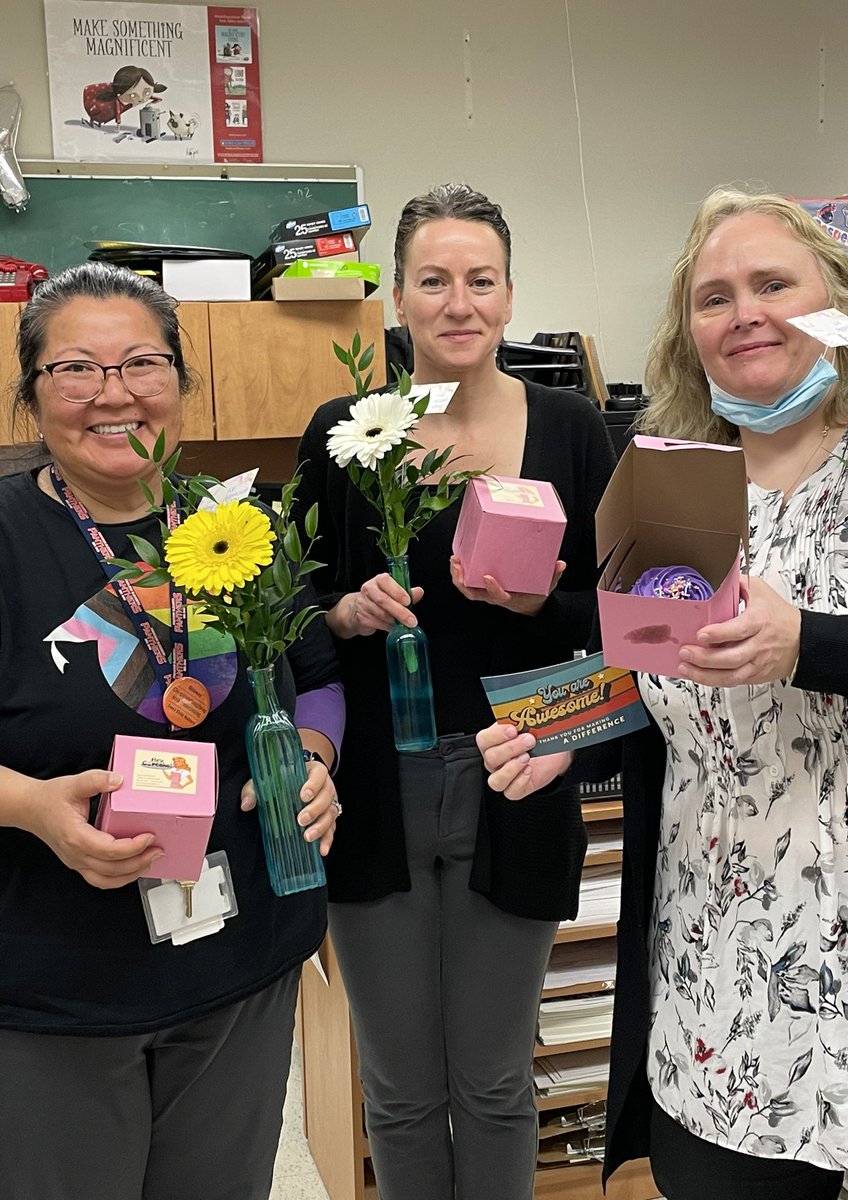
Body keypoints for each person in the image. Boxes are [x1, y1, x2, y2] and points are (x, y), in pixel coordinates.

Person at [478, 188, 848, 1199]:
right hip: (718, 971)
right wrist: (560, 733)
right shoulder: (671, 484)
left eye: (771, 283)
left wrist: (808, 641)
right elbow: (650, 669)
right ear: (690, 335)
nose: (743, 311)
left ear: (836, 305)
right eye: (714, 297)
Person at [294, 183, 617, 1200]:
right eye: (433, 280)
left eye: (481, 280)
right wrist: (345, 613)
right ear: (397, 299)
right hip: (376, 794)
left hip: (517, 779)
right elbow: (293, 604)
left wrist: (536, 608)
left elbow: (622, 624)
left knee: (491, 1082)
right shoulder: (347, 431)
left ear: (512, 295)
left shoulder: (569, 427)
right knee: (397, 1088)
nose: (459, 302)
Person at [0, 261, 344, 1200]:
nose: (114, 394)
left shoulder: (238, 524)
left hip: (243, 960)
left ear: (182, 386)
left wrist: (315, 762)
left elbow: (313, 677)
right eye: (76, 369)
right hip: (58, 985)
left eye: (141, 364)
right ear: (33, 397)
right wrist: (31, 806)